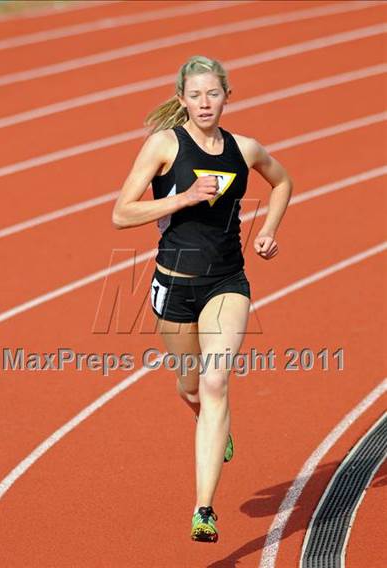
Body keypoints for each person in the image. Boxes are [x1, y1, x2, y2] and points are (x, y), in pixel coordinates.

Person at [112, 55, 293, 543]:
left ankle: (204, 510)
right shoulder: (164, 145)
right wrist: (183, 197)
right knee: (190, 389)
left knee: (215, 383)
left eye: (213, 93)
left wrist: (269, 230)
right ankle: (215, 426)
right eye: (195, 95)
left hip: (226, 282)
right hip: (172, 285)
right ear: (182, 100)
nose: (205, 103)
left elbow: (283, 181)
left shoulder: (245, 148)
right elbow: (121, 214)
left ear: (227, 96)